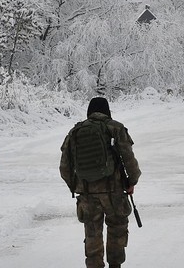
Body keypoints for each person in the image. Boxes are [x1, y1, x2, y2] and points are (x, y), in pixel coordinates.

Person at [60, 97, 141, 268]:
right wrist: (132, 181)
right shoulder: (116, 128)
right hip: (114, 193)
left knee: (92, 233)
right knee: (117, 229)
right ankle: (115, 265)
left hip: (87, 194)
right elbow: (128, 159)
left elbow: (64, 167)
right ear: (107, 110)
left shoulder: (75, 131)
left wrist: (76, 186)